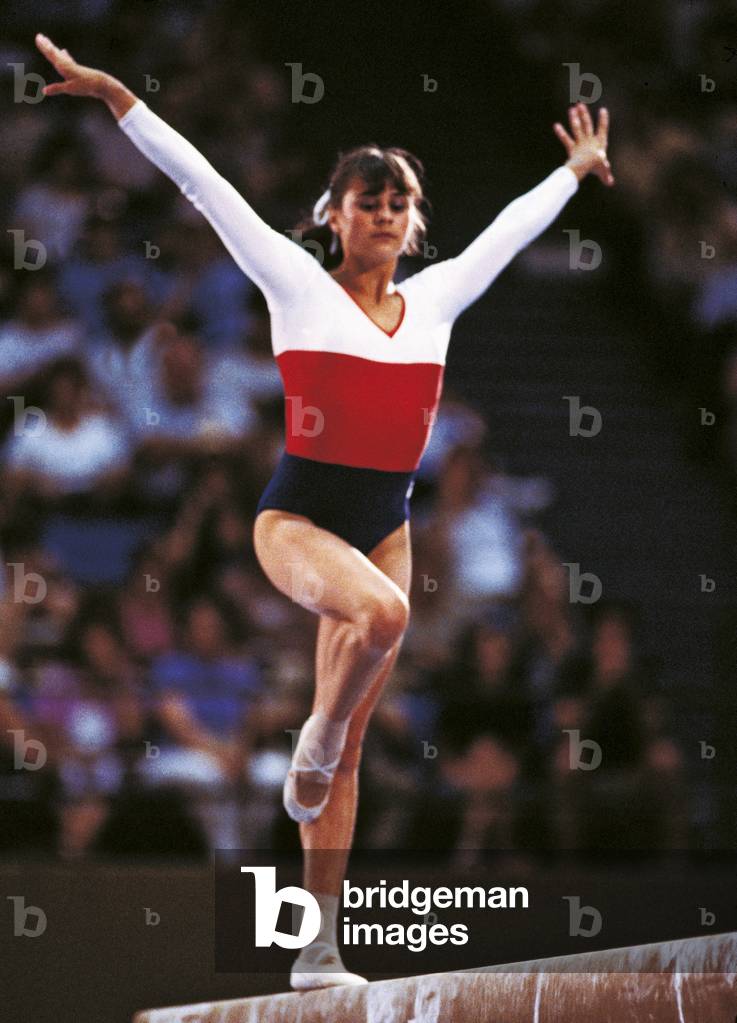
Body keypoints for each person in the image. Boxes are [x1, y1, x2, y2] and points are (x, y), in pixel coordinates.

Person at [35, 31, 614, 989]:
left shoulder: (434, 301)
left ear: (414, 222)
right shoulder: (293, 281)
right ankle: (315, 738)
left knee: (345, 757)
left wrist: (575, 170)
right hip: (296, 522)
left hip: (386, 523)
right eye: (367, 201)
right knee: (383, 622)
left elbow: (510, 230)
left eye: (399, 203)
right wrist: (111, 97)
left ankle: (317, 951)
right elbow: (201, 182)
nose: (384, 215)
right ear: (334, 217)